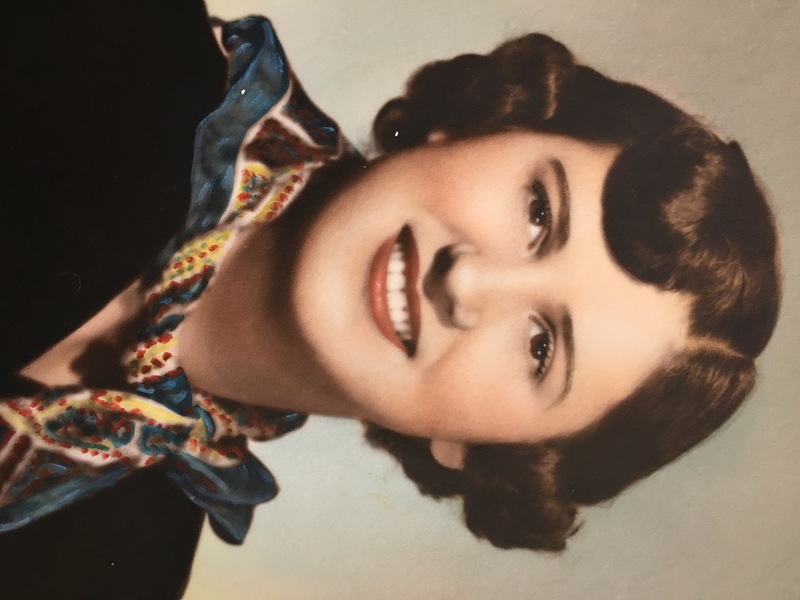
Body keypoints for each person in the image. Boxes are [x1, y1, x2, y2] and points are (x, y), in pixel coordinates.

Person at [1, 2, 780, 598]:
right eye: (539, 213)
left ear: (474, 451)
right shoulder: (98, 33)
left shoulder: (111, 575)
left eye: (541, 347)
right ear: (478, 126)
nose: (466, 282)